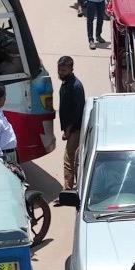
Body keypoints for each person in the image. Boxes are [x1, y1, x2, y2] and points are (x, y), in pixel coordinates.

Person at [57, 56, 86, 191]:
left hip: (75, 129)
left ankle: (68, 189)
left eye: (63, 70)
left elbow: (77, 112)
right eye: (59, 69)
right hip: (71, 128)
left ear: (71, 69)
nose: (61, 72)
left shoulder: (75, 86)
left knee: (69, 159)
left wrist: (68, 130)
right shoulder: (66, 83)